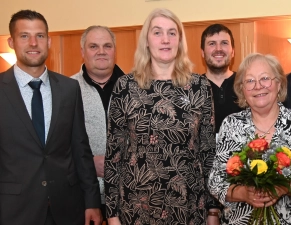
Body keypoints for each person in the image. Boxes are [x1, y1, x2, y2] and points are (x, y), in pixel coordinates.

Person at [104, 8, 218, 225]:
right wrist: (112, 215)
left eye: (172, 33)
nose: (165, 39)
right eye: (157, 32)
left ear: (180, 40)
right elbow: (114, 155)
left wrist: (213, 211)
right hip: (136, 208)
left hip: (189, 207)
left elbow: (208, 151)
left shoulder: (199, 86)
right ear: (146, 40)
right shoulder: (125, 87)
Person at [0, 10, 102, 225]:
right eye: (24, 36)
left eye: (40, 36)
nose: (33, 43)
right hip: (14, 211)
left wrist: (92, 201)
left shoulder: (69, 88)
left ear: (49, 41)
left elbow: (80, 149)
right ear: (11, 41)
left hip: (67, 209)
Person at [208, 53, 291, 224]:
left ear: (278, 84)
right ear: (242, 89)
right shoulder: (231, 125)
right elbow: (215, 181)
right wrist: (243, 194)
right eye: (250, 81)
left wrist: (284, 188)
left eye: (265, 78)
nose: (258, 86)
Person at [71, 25, 125, 224]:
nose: (101, 51)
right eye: (93, 46)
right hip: (82, 196)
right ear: (83, 52)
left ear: (114, 50)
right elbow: (56, 146)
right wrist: (88, 164)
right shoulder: (67, 90)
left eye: (107, 46)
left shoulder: (136, 89)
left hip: (127, 196)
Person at [201, 24, 242, 134]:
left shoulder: (246, 84)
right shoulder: (192, 88)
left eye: (224, 43)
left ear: (233, 51)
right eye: (212, 44)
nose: (218, 49)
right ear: (202, 53)